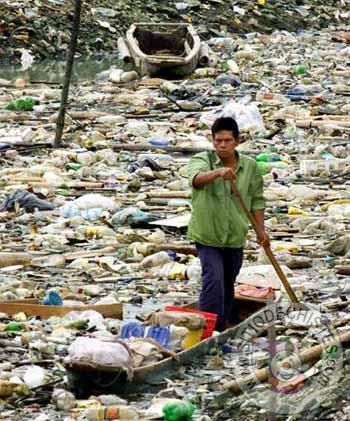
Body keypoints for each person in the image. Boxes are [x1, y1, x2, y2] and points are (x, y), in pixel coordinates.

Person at [187, 117, 269, 331]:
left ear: (237, 141)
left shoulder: (250, 167)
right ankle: (207, 329)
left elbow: (257, 200)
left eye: (227, 140)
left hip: (234, 236)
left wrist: (261, 231)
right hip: (208, 235)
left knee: (227, 283)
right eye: (218, 141)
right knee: (213, 281)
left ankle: (224, 323)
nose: (222, 145)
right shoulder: (202, 159)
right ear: (212, 141)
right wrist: (218, 173)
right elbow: (196, 179)